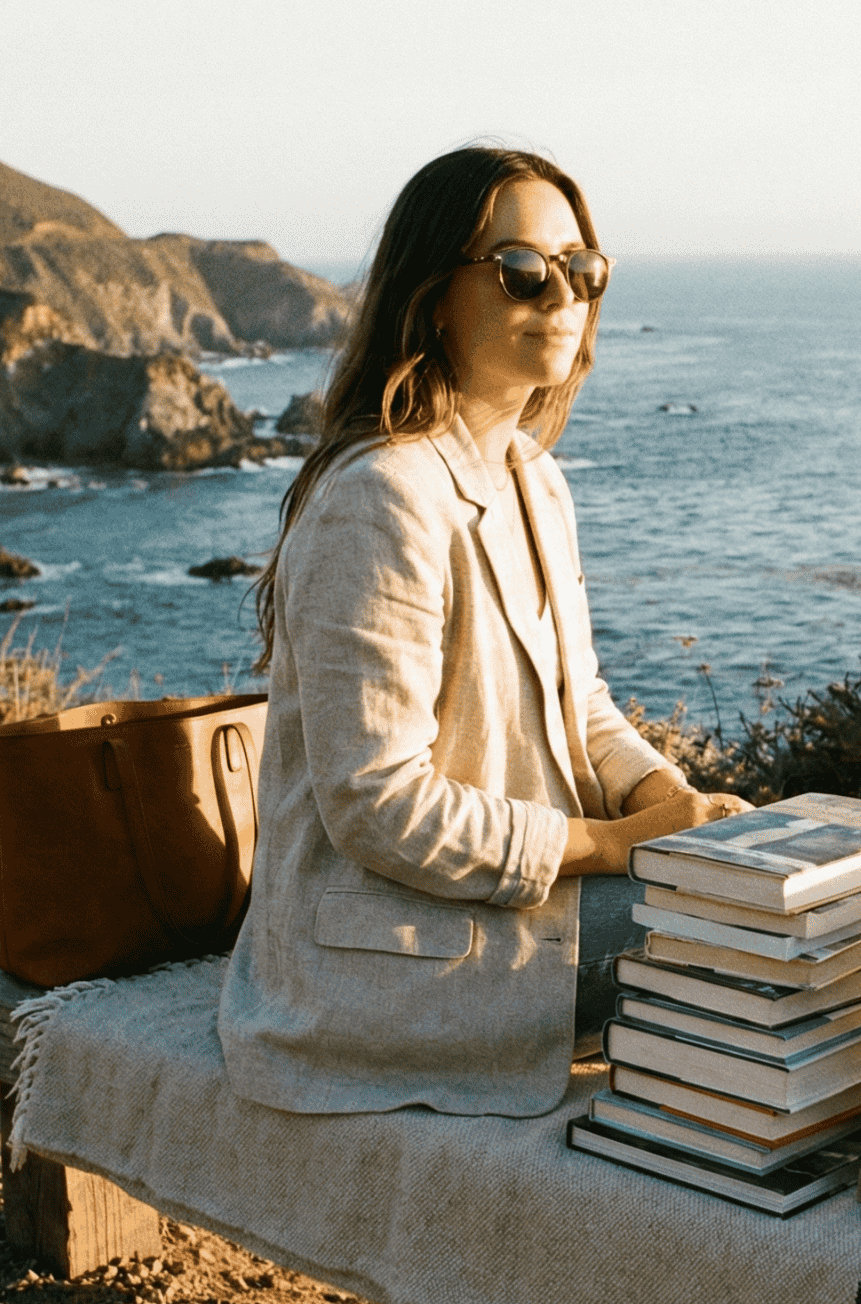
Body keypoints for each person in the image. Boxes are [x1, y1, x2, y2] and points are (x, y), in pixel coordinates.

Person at [218, 147, 750, 1118]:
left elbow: (578, 698)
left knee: (809, 901)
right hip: (387, 959)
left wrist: (666, 796)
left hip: (513, 912)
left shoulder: (533, 479)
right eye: (520, 270)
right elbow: (377, 802)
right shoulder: (380, 499)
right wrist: (619, 844)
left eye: (581, 269)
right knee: (783, 942)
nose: (561, 294)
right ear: (430, 298)